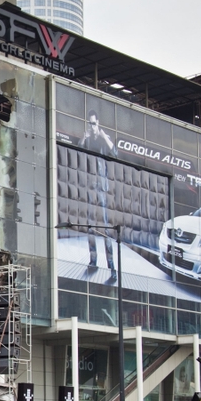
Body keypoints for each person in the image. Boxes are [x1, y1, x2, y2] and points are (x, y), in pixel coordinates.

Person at [79, 109, 118, 279]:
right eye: (90, 124)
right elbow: (76, 151)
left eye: (94, 124)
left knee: (106, 228)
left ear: (98, 123)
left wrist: (103, 136)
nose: (92, 127)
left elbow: (115, 153)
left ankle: (112, 268)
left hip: (101, 188)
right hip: (90, 188)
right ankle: (93, 261)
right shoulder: (87, 139)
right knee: (90, 226)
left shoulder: (103, 139)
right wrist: (84, 137)